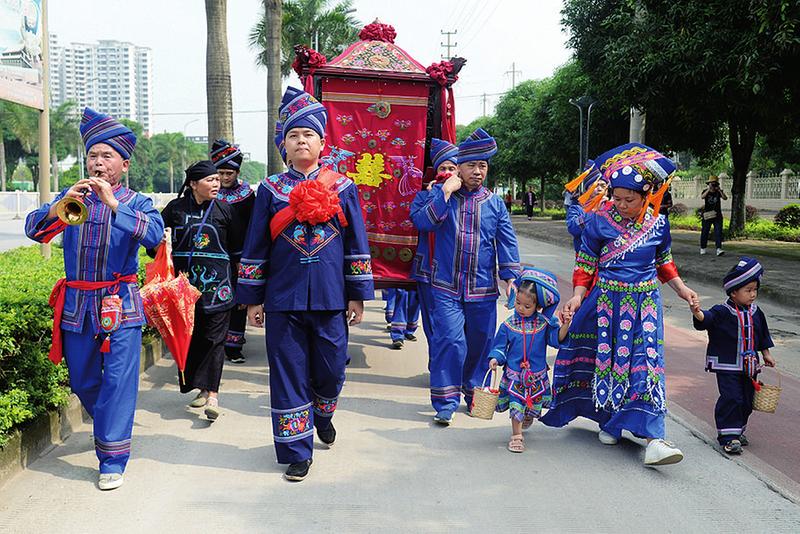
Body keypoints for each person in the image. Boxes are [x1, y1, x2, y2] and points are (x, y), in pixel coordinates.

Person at [237, 87, 374, 482]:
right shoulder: (270, 189)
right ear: (284, 145)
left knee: (331, 371)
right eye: (294, 135)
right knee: (288, 374)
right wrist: (253, 299)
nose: (301, 141)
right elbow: (256, 244)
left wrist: (358, 295)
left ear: (322, 143)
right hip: (283, 298)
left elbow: (356, 243)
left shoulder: (343, 187)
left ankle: (324, 412)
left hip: (331, 298)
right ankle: (297, 451)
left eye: (308, 135)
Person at [24, 108, 164, 490]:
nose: (98, 163)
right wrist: (60, 203)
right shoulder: (72, 198)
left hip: (120, 304)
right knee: (83, 380)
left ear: (124, 163)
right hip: (77, 305)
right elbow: (36, 231)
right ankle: (110, 427)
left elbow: (155, 237)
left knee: (118, 381)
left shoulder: (138, 201)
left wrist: (114, 205)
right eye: (93, 156)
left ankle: (112, 458)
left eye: (107, 156)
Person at [541, 143, 699, 466]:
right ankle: (610, 420)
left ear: (646, 196)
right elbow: (585, 262)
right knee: (609, 360)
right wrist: (577, 295)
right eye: (618, 197)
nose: (622, 204)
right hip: (607, 302)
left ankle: (654, 438)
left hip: (645, 304)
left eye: (630, 199)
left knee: (646, 364)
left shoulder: (658, 225)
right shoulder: (599, 222)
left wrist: (682, 290)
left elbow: (664, 261)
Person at [411, 128, 521, 425]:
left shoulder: (495, 203)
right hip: (445, 286)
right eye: (471, 165)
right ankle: (445, 401)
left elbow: (507, 241)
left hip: (483, 289)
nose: (477, 171)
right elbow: (423, 222)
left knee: (480, 343)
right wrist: (445, 192)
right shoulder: (441, 196)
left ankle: (473, 393)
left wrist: (511, 277)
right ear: (458, 167)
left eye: (482, 166)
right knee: (450, 340)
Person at [156, 160, 235, 421]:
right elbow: (155, 245)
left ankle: (213, 394)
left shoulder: (225, 210)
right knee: (193, 339)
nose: (216, 183)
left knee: (215, 341)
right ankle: (201, 387)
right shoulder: (175, 209)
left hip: (218, 289)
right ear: (193, 184)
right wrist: (160, 243)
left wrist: (245, 290)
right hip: (183, 290)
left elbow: (238, 252)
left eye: (217, 180)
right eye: (210, 180)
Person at [690, 257, 776, 454]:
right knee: (732, 398)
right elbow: (707, 319)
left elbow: (762, 334)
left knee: (747, 400)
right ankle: (728, 437)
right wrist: (697, 313)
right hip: (727, 365)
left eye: (755, 290)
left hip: (749, 366)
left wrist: (766, 354)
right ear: (734, 292)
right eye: (748, 290)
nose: (753, 294)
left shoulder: (756, 312)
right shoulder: (722, 311)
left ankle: (737, 431)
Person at [488, 269, 571, 453]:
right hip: (515, 375)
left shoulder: (544, 324)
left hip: (536, 375)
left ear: (538, 306)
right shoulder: (508, 325)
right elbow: (500, 346)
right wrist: (495, 358)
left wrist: (565, 324)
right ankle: (516, 435)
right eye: (518, 303)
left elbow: (555, 339)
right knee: (516, 403)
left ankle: (528, 415)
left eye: (527, 306)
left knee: (532, 405)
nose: (520, 308)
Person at [410, 138, 458, 352]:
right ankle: (437, 363)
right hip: (428, 269)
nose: (447, 172)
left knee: (453, 326)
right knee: (431, 320)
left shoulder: (467, 198)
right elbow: (421, 222)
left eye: (452, 168)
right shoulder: (423, 197)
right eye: (443, 168)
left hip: (456, 270)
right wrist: (441, 193)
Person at [210, 139, 255, 364]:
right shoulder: (207, 193)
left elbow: (254, 227)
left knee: (238, 301)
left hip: (239, 256)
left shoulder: (247, 195)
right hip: (214, 255)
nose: (225, 178)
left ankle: (234, 346)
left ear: (237, 172)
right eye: (221, 173)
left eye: (230, 173)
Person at [700, 175, 727, 256]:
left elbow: (725, 198)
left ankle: (719, 249)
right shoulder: (705, 191)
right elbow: (702, 197)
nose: (713, 185)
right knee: (705, 231)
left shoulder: (718, 192)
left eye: (715, 183)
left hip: (717, 215)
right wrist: (709, 189)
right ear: (709, 184)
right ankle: (703, 247)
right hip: (707, 215)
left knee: (718, 232)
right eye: (712, 183)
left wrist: (720, 191)